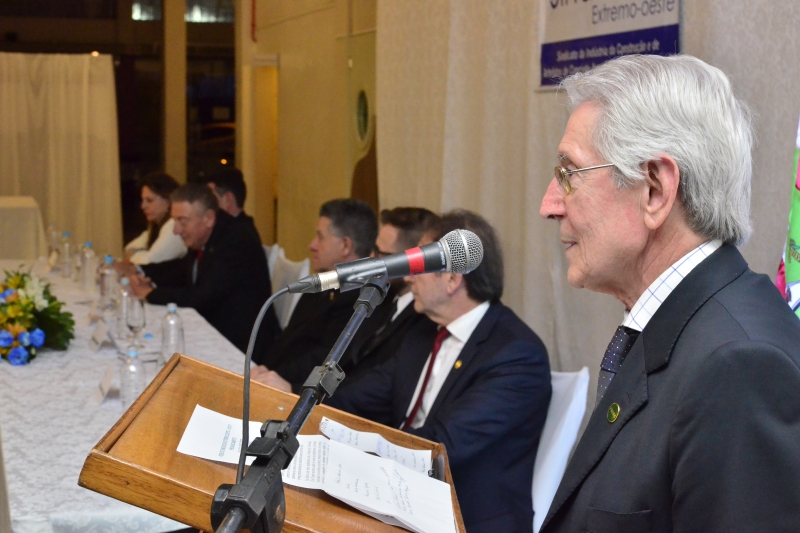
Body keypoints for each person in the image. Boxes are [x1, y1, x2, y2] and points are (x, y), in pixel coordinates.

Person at [538, 54, 800, 533]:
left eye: (569, 174)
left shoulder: (740, 366)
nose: (549, 205)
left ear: (655, 190)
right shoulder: (678, 327)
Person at [327, 210, 551, 533]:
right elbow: (366, 394)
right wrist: (309, 408)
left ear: (452, 279)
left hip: (462, 517)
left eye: (419, 267)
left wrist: (358, 456)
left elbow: (442, 447)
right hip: (403, 494)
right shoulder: (423, 331)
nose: (409, 278)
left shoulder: (517, 356)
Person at [128, 183, 280, 353]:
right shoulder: (208, 235)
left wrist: (150, 293)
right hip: (218, 329)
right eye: (174, 221)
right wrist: (142, 272)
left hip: (243, 346)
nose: (176, 230)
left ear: (208, 218)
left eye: (182, 221)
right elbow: (182, 270)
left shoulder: (235, 241)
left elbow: (201, 297)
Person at [251, 198, 380, 392]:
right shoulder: (323, 282)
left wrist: (273, 375)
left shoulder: (361, 302)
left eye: (320, 237)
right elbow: (288, 340)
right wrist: (264, 369)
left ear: (346, 246)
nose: (312, 245)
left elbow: (321, 362)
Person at [341, 206, 440, 382]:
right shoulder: (381, 298)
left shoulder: (424, 319)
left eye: (380, 253)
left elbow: (379, 383)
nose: (372, 257)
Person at [124, 172, 187, 265]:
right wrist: (137, 254)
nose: (143, 206)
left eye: (149, 200)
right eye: (143, 200)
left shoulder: (174, 226)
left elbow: (151, 261)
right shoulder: (155, 226)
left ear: (168, 201)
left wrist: (133, 256)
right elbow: (129, 248)